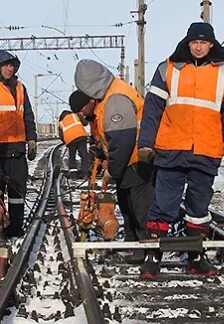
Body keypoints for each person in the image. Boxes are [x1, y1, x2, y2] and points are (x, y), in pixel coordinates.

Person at [138, 22, 224, 279]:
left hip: (206, 150)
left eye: (204, 42)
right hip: (171, 148)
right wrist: (145, 143)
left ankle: (196, 258)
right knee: (164, 205)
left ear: (212, 44)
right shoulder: (167, 69)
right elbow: (152, 109)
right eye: (194, 42)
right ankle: (153, 257)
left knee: (199, 208)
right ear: (188, 43)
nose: (199, 47)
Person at [72, 60, 153, 262]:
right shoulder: (105, 100)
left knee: (140, 208)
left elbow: (123, 140)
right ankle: (133, 243)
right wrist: (100, 151)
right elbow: (108, 138)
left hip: (136, 162)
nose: (82, 115)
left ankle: (148, 250)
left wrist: (112, 171)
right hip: (129, 162)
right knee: (127, 207)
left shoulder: (116, 98)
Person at [0, 50, 37, 239]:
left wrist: (32, 139)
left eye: (12, 65)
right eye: (5, 65)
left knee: (17, 193)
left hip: (18, 149)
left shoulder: (21, 88)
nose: (9, 68)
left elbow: (27, 115)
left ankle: (15, 229)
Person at [58, 108, 89, 179]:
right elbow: (85, 123)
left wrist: (66, 142)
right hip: (81, 136)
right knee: (84, 155)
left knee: (72, 157)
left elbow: (61, 136)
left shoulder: (61, 123)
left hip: (70, 140)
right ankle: (85, 174)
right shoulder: (75, 115)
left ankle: (73, 174)